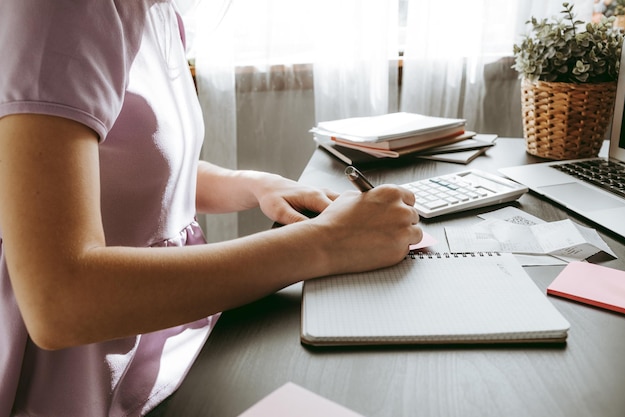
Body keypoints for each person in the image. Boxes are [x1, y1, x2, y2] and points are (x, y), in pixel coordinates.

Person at [0, 1, 423, 416]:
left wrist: (248, 184)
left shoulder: (155, 12)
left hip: (170, 345)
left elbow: (118, 164)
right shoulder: (60, 11)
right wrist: (326, 244)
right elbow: (59, 301)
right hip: (82, 384)